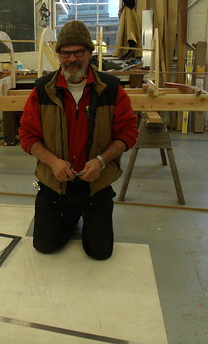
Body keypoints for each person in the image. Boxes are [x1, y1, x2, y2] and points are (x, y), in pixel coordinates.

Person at [19, 20, 138, 260]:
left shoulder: (112, 89)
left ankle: (83, 215)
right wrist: (53, 162)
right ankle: (71, 215)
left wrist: (102, 161)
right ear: (59, 55)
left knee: (100, 252)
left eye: (79, 52)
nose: (72, 59)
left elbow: (128, 133)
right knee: (44, 246)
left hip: (96, 185)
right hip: (55, 183)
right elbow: (27, 135)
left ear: (90, 53)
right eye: (66, 53)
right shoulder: (43, 89)